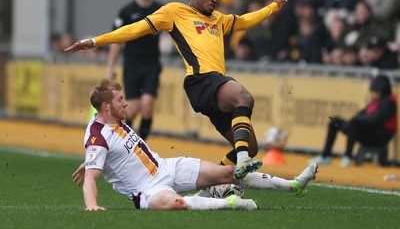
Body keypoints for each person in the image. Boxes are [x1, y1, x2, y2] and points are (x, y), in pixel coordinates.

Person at [64, 0, 290, 180]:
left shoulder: (219, 19)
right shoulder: (174, 11)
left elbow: (245, 21)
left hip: (215, 86)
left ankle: (216, 181)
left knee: (250, 146)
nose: (214, 0)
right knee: (244, 97)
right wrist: (95, 41)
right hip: (201, 81)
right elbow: (134, 29)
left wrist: (273, 6)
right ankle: (242, 161)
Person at [72, 79, 318, 211]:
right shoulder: (97, 137)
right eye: (120, 100)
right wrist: (92, 205)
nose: (125, 104)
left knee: (228, 173)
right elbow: (92, 178)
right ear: (106, 107)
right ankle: (230, 203)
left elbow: (105, 152)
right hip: (147, 191)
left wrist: (92, 160)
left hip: (166, 167)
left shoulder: (107, 126)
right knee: (175, 204)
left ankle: (293, 185)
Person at [106, 0, 163, 141]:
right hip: (131, 64)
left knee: (147, 105)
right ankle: (123, 140)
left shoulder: (160, 10)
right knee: (133, 108)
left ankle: (141, 145)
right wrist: (110, 66)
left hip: (152, 64)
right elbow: (116, 41)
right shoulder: (126, 12)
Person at [310, 74, 397, 167]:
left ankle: (348, 157)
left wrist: (356, 121)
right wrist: (352, 122)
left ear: (384, 90)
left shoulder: (389, 102)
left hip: (380, 136)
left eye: (377, 91)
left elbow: (376, 119)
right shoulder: (376, 101)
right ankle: (325, 156)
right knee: (334, 121)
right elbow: (362, 113)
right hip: (368, 132)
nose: (375, 93)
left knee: (354, 123)